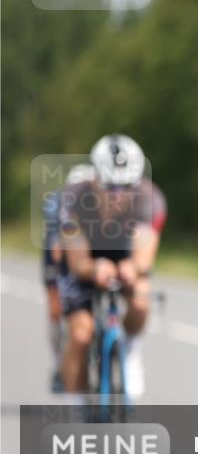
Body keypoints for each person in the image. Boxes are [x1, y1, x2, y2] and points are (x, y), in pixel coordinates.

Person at [58, 134, 167, 398]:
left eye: (126, 186)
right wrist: (94, 268)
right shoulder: (73, 200)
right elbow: (77, 260)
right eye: (110, 187)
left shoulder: (149, 199)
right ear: (94, 179)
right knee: (81, 336)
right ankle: (77, 407)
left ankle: (131, 349)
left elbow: (144, 255)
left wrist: (133, 268)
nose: (118, 195)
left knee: (141, 299)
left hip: (124, 252)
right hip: (86, 256)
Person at [42, 163, 96, 391]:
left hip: (86, 252)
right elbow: (56, 243)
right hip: (58, 255)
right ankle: (58, 363)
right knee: (56, 308)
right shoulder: (59, 202)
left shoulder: (99, 201)